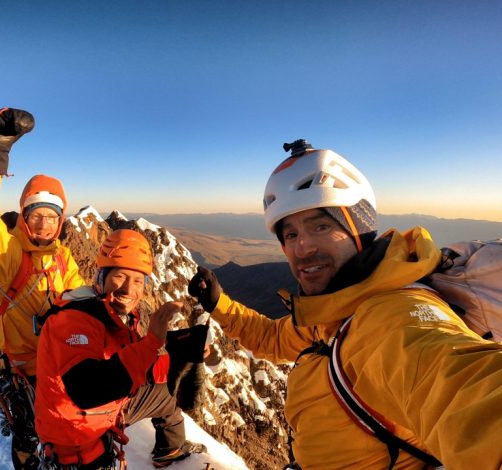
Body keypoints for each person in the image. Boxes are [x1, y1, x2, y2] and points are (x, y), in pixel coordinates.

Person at [188, 140, 502, 470]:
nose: (302, 248)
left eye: (321, 225)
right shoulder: (334, 311)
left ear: (359, 229)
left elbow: (461, 386)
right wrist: (219, 304)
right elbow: (273, 338)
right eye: (290, 234)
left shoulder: (391, 317)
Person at [0, 108, 86, 469]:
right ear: (24, 217)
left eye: (52, 216)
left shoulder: (64, 258)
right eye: (36, 215)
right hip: (22, 370)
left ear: (61, 221)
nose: (44, 224)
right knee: (28, 435)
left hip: (58, 366)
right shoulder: (8, 253)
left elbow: (83, 300)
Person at [35, 229, 201, 469]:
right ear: (101, 276)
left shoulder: (115, 313)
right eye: (120, 276)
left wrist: (178, 359)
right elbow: (87, 389)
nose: (128, 289)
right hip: (75, 434)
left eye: (137, 280)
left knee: (170, 392)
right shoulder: (74, 319)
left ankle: (169, 450)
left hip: (100, 417)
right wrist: (152, 341)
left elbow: (133, 365)